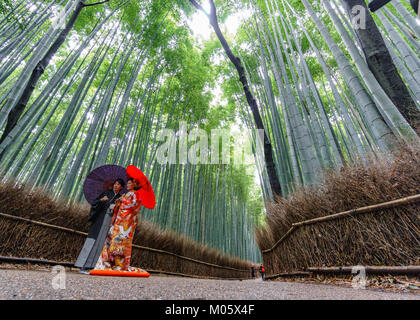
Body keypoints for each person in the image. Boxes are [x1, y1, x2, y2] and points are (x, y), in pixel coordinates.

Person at [93, 178, 145, 272]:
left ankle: (119, 264)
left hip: (125, 224)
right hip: (118, 221)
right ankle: (107, 261)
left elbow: (134, 206)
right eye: (128, 183)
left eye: (129, 183)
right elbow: (119, 207)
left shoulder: (136, 194)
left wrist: (124, 201)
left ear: (134, 185)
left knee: (121, 244)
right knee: (110, 239)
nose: (127, 185)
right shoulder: (125, 194)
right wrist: (118, 202)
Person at [74, 179, 125, 274]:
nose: (116, 185)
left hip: (110, 222)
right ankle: (82, 266)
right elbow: (94, 203)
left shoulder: (121, 198)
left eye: (118, 184)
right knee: (92, 241)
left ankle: (95, 266)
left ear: (121, 187)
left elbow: (122, 213)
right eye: (115, 184)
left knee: (102, 244)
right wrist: (101, 200)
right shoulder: (106, 193)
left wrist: (120, 204)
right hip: (100, 220)